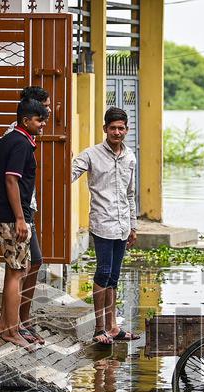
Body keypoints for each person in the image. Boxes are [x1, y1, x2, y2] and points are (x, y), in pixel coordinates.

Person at [71, 107, 139, 345]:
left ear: (126, 130)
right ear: (105, 129)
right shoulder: (91, 155)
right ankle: (99, 327)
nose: (117, 132)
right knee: (103, 272)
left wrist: (133, 225)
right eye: (113, 128)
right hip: (102, 223)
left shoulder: (130, 157)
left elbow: (130, 194)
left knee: (114, 277)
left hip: (122, 226)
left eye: (121, 128)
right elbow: (68, 172)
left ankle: (113, 327)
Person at [0, 98, 48, 348]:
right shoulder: (20, 144)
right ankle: (11, 332)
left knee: (15, 270)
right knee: (17, 272)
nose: (43, 124)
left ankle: (4, 324)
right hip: (12, 217)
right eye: (39, 120)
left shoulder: (8, 139)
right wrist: (20, 218)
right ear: (26, 121)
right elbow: (11, 181)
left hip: (4, 214)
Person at [4, 87, 52, 345]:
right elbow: (10, 179)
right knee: (23, 265)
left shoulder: (24, 137)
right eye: (42, 110)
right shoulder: (17, 138)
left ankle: (15, 322)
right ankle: (15, 324)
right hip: (18, 212)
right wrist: (20, 217)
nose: (46, 116)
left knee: (24, 264)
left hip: (24, 208)